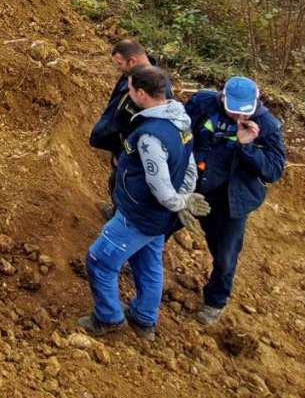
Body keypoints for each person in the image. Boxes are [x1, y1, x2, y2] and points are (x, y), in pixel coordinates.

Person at [79, 65, 210, 341]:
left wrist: (177, 201)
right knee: (149, 265)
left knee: (99, 261)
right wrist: (184, 197)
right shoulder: (181, 120)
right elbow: (189, 167)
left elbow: (159, 185)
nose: (127, 93)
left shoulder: (151, 135)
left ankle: (108, 318)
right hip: (158, 220)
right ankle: (143, 319)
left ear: (141, 93)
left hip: (138, 215)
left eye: (130, 89)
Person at [185, 76, 286, 325]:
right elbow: (181, 134)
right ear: (222, 97)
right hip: (193, 187)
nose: (238, 118)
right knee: (158, 223)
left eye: (244, 112)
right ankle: (133, 263)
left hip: (231, 200)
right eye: (233, 111)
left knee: (226, 256)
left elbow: (273, 171)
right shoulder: (202, 103)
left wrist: (247, 146)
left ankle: (215, 301)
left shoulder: (267, 125)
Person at [89, 40, 171, 205]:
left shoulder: (156, 87)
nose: (118, 68)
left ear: (132, 61)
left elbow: (149, 129)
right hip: (120, 145)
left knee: (126, 189)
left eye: (119, 64)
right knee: (116, 184)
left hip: (132, 153)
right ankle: (115, 212)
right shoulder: (131, 75)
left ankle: (120, 221)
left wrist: (125, 153)